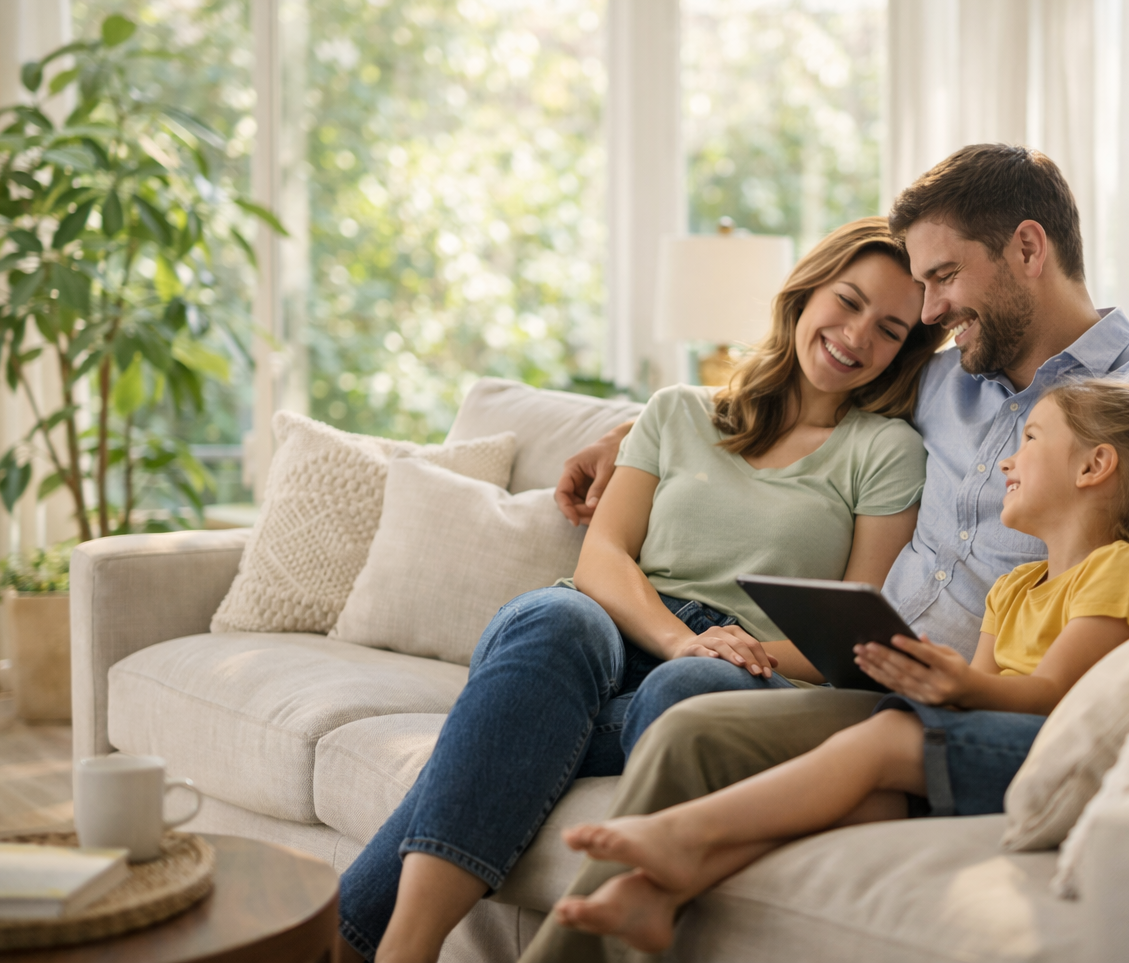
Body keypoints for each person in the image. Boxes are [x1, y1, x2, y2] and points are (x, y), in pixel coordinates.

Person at [522, 143, 1129, 963]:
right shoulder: (938, 377)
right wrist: (627, 433)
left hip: (963, 695)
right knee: (685, 708)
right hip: (859, 674)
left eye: (943, 278)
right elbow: (798, 387)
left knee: (688, 716)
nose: (927, 310)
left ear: (1029, 250)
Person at [336, 218, 943, 963]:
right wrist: (679, 634)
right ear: (807, 290)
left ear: (905, 351)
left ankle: (345, 942)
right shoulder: (677, 412)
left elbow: (844, 634)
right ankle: (407, 950)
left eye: (888, 330)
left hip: (745, 660)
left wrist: (740, 651)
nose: (856, 336)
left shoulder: (885, 451)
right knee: (558, 620)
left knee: (684, 689)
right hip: (610, 623)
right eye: (847, 302)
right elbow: (605, 556)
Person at [550, 378, 1129, 952]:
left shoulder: (1119, 571)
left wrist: (956, 681)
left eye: (1032, 440)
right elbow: (981, 692)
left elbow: (1057, 698)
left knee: (886, 737)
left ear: (1094, 466)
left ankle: (679, 833)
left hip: (1056, 753)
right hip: (979, 737)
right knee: (863, 795)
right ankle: (663, 892)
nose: (1009, 463)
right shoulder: (1016, 587)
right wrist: (935, 678)